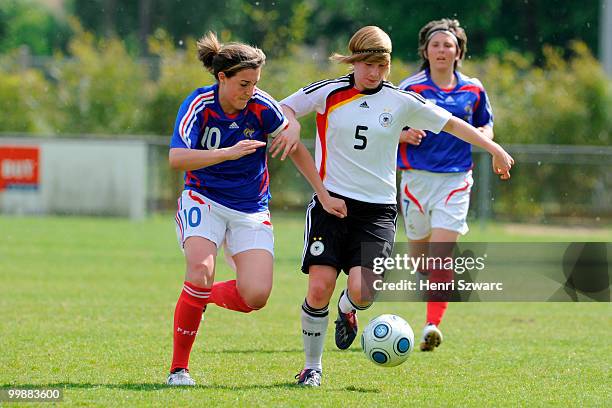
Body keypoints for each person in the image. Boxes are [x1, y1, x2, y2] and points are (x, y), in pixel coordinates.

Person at [279, 25, 514, 387]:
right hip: (331, 203)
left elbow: (451, 123)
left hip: (377, 211)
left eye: (381, 66)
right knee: (318, 288)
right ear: (353, 61)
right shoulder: (328, 92)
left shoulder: (400, 100)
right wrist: (290, 123)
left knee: (363, 292)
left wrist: (494, 149)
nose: (374, 73)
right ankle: (312, 367)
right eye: (367, 64)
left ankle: (348, 309)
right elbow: (282, 109)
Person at [166, 31, 301, 386]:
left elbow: (290, 130)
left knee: (255, 295)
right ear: (221, 77)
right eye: (244, 83)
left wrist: (323, 189)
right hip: (203, 198)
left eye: (256, 83)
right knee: (199, 270)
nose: (251, 91)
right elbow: (177, 158)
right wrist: (225, 153)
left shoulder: (260, 105)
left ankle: (196, 298)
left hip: (250, 208)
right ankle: (179, 369)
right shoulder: (198, 104)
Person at [397, 18, 496, 352]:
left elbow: (486, 126)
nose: (442, 50)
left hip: (455, 181)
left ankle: (431, 325)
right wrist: (403, 134)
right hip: (415, 182)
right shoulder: (411, 88)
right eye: (435, 44)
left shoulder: (473, 89)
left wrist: (485, 139)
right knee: (420, 262)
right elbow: (384, 128)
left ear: (458, 52)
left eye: (448, 45)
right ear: (425, 50)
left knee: (441, 257)